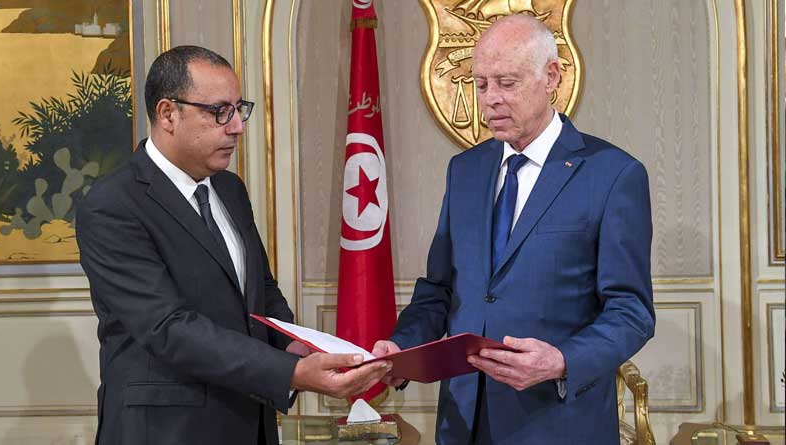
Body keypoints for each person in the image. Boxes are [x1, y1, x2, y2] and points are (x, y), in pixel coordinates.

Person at [76, 45, 391, 445]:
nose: (238, 126)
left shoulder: (229, 188)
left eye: (239, 109)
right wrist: (290, 374)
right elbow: (168, 328)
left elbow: (262, 291)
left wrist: (297, 346)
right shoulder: (112, 206)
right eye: (219, 112)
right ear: (168, 113)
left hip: (249, 422)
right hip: (165, 431)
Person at [373, 14, 655, 445]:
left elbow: (631, 312)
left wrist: (562, 359)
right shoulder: (465, 170)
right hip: (464, 423)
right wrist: (402, 349)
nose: (491, 100)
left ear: (551, 77)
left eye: (507, 82)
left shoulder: (614, 175)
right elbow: (440, 290)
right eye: (481, 84)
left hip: (558, 423)